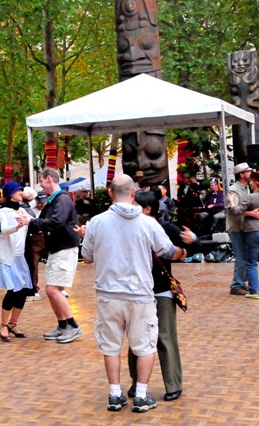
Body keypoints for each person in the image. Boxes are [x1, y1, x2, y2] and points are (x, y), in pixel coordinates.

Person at [79, 175, 183, 413]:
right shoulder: (148, 223)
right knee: (145, 345)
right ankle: (141, 395)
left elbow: (87, 257)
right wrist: (183, 251)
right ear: (133, 193)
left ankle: (115, 394)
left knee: (110, 346)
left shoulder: (97, 222)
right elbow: (167, 251)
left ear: (110, 193)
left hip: (108, 294)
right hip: (140, 294)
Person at [128, 191, 193, 403]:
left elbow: (192, 247)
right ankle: (136, 383)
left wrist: (190, 242)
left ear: (147, 209)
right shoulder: (128, 227)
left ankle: (173, 384)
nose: (131, 206)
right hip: (137, 289)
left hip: (161, 288)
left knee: (164, 337)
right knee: (137, 338)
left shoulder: (165, 228)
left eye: (136, 204)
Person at [16, 167, 83, 344]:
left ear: (49, 179)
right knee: (53, 289)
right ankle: (63, 325)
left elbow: (56, 222)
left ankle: (73, 326)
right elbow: (46, 221)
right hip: (57, 249)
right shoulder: (54, 200)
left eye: (41, 180)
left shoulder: (62, 200)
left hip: (64, 249)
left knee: (53, 289)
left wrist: (31, 221)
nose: (40, 184)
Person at [0, 181, 34, 342]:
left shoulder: (23, 210)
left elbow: (36, 221)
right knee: (13, 291)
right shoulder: (4, 211)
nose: (21, 193)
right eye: (18, 191)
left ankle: (13, 323)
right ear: (11, 194)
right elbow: (4, 230)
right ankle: (3, 325)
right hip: (8, 257)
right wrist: (17, 226)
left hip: (20, 256)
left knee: (23, 291)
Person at [226, 163, 259, 295]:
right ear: (241, 174)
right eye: (248, 171)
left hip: (244, 227)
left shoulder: (246, 188)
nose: (251, 174)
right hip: (236, 228)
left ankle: (241, 282)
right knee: (241, 258)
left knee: (245, 257)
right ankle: (236, 285)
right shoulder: (233, 189)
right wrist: (251, 214)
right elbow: (233, 210)